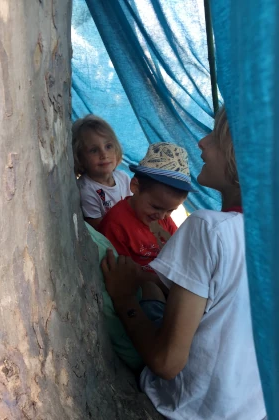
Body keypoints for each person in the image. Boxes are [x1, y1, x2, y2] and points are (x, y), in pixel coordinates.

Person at [101, 107, 266, 420]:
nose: (202, 142)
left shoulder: (209, 227)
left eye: (215, 136)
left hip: (187, 408)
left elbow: (166, 363)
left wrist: (124, 301)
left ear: (242, 155)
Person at [98, 142, 195, 272]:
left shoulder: (163, 219)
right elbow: (121, 272)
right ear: (135, 187)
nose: (161, 216)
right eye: (156, 207)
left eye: (170, 210)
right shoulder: (116, 225)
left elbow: (178, 248)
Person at [72, 114, 132, 230]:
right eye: (94, 150)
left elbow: (134, 211)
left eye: (108, 146)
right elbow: (101, 230)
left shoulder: (123, 178)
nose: (104, 155)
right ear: (80, 157)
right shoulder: (86, 189)